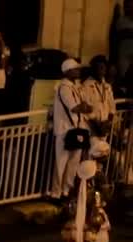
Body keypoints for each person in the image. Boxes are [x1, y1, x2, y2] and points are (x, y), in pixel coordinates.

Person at [51, 59, 91, 200]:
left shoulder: (77, 87)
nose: (78, 71)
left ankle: (66, 191)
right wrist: (84, 106)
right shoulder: (63, 87)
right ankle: (56, 193)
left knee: (73, 163)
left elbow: (88, 106)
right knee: (61, 163)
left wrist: (84, 106)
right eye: (76, 69)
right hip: (65, 130)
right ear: (68, 71)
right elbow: (76, 107)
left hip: (78, 128)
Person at [82, 56, 117, 140]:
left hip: (105, 126)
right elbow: (87, 108)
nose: (102, 69)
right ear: (94, 69)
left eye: (103, 67)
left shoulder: (107, 86)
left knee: (103, 150)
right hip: (92, 126)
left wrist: (108, 122)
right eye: (99, 67)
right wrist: (97, 125)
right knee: (92, 151)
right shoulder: (86, 85)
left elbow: (112, 106)